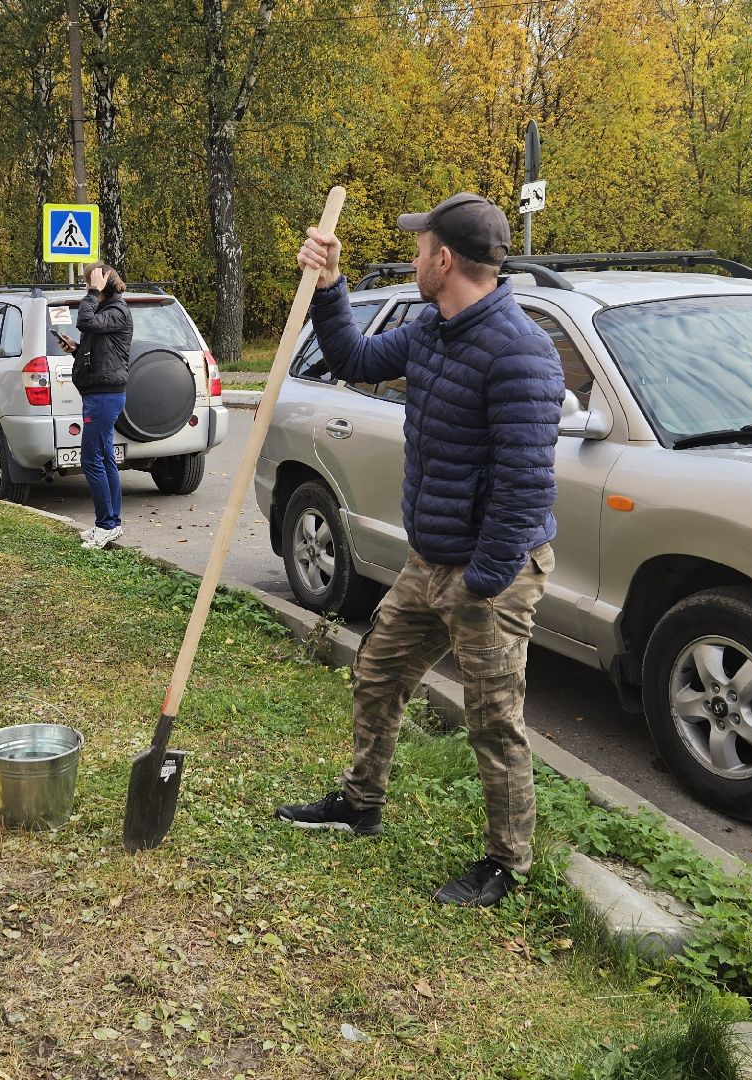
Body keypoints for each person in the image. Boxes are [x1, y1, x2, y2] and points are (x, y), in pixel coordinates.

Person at [275, 192, 563, 908]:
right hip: (430, 560)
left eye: (419, 247)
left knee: (494, 720)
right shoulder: (431, 329)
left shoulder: (520, 353)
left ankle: (506, 865)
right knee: (378, 674)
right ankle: (360, 804)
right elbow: (351, 355)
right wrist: (332, 282)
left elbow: (526, 487)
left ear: (444, 260)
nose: (412, 257)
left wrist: (481, 583)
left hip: (491, 572)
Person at [72, 262, 132, 550]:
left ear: (102, 284)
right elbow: (99, 344)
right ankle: (112, 522)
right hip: (100, 393)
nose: (87, 288)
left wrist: (92, 291)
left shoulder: (117, 310)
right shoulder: (108, 311)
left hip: (104, 396)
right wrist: (76, 349)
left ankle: (105, 525)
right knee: (105, 458)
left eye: (90, 283)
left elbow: (85, 322)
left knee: (91, 459)